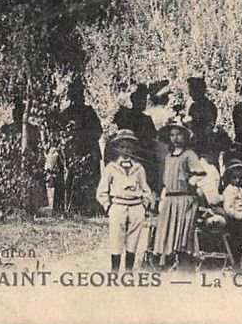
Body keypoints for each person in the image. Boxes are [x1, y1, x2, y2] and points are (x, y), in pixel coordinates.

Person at [96, 130, 153, 271]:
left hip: (136, 206)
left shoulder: (138, 168)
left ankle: (128, 271)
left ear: (133, 148)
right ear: (117, 148)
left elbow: (146, 189)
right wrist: (108, 206)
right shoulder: (111, 168)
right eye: (122, 146)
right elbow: (101, 191)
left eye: (129, 146)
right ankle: (114, 271)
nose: (126, 150)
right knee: (116, 239)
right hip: (118, 205)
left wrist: (144, 206)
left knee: (133, 240)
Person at [153, 122, 206, 267]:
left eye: (178, 134)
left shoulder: (189, 155)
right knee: (168, 233)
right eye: (172, 135)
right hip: (170, 199)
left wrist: (191, 181)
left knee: (183, 236)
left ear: (185, 136)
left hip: (185, 199)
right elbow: (165, 180)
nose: (175, 138)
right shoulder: (168, 157)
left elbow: (200, 174)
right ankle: (167, 262)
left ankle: (185, 263)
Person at [59, 78, 103, 215]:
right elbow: (62, 134)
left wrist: (86, 138)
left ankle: (92, 208)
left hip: (89, 150)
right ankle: (73, 208)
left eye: (81, 93)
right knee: (73, 179)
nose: (79, 96)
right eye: (76, 93)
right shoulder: (66, 113)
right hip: (74, 151)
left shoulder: (89, 112)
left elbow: (98, 130)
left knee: (90, 179)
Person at [187, 77, 218, 155]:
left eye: (191, 90)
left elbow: (209, 127)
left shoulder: (208, 106)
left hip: (205, 145)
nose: (190, 93)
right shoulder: (193, 106)